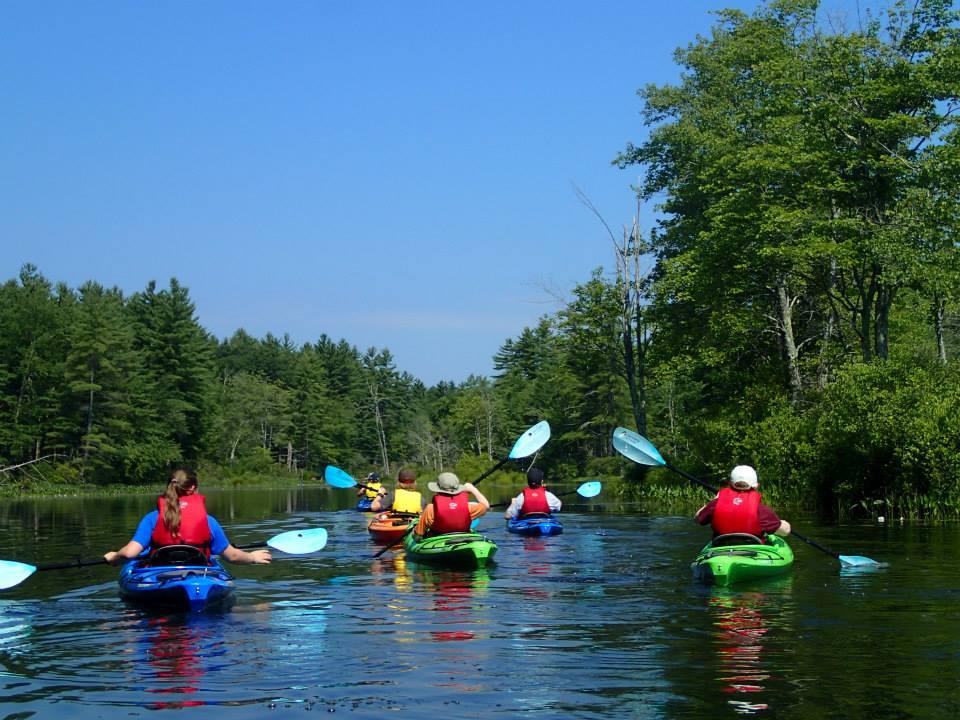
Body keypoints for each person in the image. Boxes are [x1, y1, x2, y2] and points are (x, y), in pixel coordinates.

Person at [104, 469, 272, 566]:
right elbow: (232, 556)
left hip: (160, 574)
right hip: (198, 574)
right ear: (193, 488)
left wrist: (115, 556)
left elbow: (130, 553)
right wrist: (252, 557)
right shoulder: (208, 521)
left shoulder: (152, 518)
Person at [694, 465, 791, 542]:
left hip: (721, 549)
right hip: (753, 551)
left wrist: (716, 500)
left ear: (730, 484)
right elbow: (785, 531)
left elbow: (698, 518)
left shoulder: (715, 504)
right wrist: (782, 523)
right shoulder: (761, 510)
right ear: (756, 486)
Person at [413, 472, 490, 537]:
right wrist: (473, 489)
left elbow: (418, 533)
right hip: (462, 538)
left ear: (437, 489)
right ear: (458, 489)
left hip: (437, 539)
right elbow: (486, 506)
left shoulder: (430, 509)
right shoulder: (468, 508)